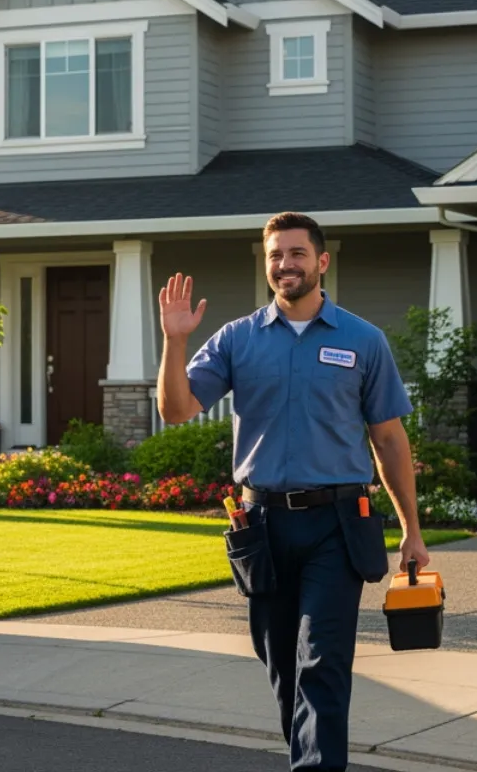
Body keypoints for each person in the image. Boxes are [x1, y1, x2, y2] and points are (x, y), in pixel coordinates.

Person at [156, 211, 430, 772]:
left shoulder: (363, 340)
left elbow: (389, 440)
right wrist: (174, 342)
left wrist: (412, 531)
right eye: (276, 255)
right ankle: (309, 759)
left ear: (322, 262)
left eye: (297, 253)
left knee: (322, 662)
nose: (286, 265)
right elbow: (176, 409)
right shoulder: (237, 339)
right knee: (283, 665)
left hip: (338, 522)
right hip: (261, 528)